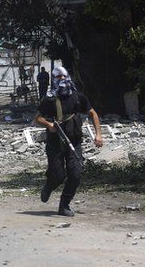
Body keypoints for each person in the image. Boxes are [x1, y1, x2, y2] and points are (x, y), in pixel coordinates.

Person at [35, 66, 103, 217]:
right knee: (58, 176)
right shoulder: (50, 99)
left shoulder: (78, 97)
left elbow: (93, 113)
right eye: (58, 78)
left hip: (74, 141)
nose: (62, 81)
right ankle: (49, 185)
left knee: (76, 173)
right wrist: (49, 125)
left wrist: (98, 135)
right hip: (55, 143)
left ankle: (64, 204)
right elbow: (37, 118)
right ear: (53, 80)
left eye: (63, 77)